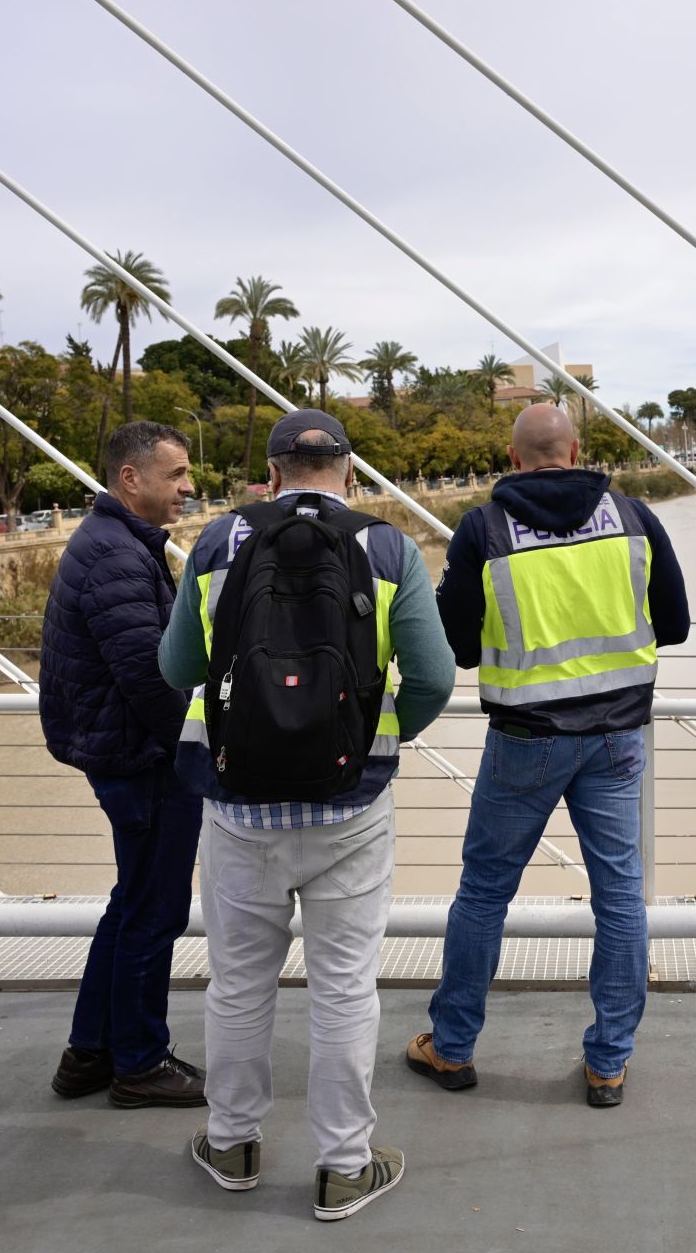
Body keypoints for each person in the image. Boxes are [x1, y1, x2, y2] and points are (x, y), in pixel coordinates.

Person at [160, 409, 452, 1221]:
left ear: (272, 473)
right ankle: (345, 1168)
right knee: (346, 990)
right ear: (349, 474)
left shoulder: (219, 544)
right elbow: (431, 677)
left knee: (240, 985)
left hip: (237, 810)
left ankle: (232, 1145)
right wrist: (364, 741)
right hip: (349, 810)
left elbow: (176, 665)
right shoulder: (388, 548)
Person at [411, 403, 689, 1108]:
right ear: (576, 451)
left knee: (483, 895)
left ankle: (451, 1049)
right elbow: (676, 624)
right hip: (618, 740)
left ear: (513, 460)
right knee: (621, 897)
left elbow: (462, 646)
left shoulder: (483, 530)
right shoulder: (633, 517)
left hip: (525, 742)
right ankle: (608, 1064)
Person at [39, 420, 206, 1108]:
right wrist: (201, 749)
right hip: (141, 760)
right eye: (176, 475)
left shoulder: (115, 541)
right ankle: (138, 1063)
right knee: (153, 909)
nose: (189, 487)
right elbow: (149, 677)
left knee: (128, 902)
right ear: (130, 478)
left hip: (121, 752)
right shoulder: (115, 555)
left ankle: (90, 1052)